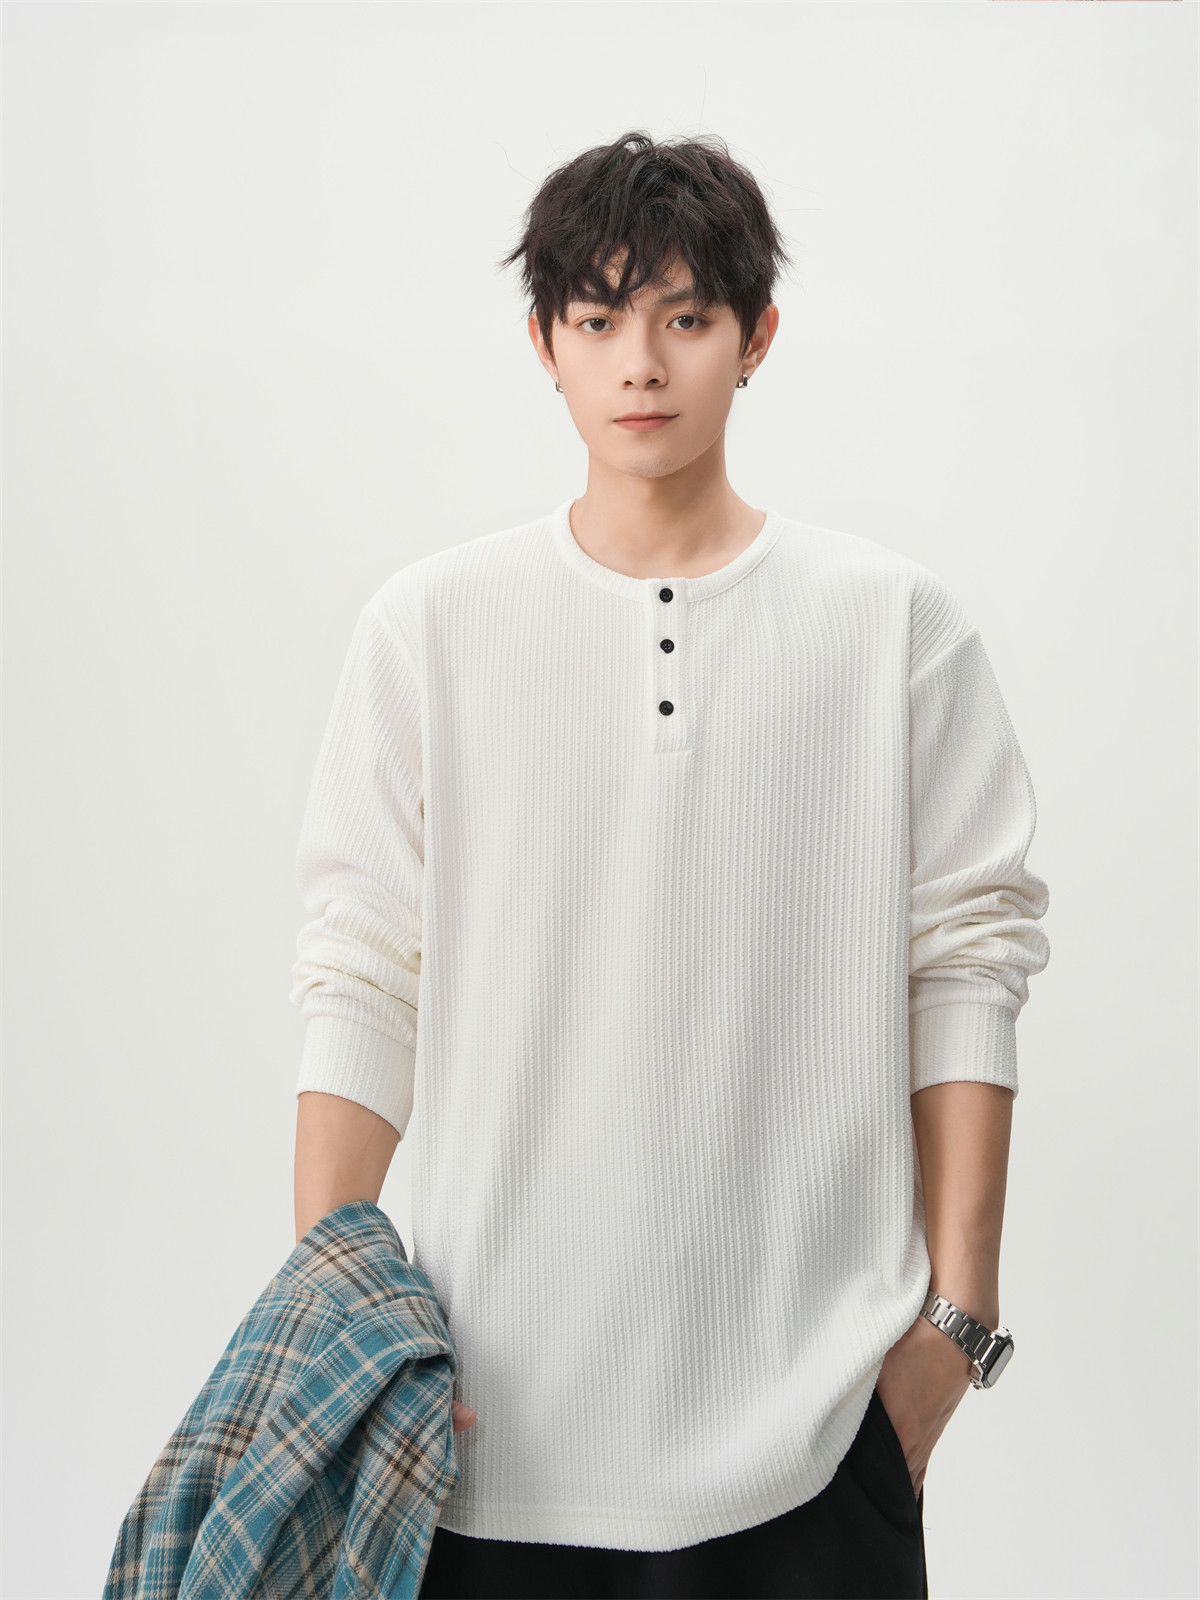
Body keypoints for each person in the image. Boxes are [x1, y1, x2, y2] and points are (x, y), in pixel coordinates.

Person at [290, 129, 1050, 1600]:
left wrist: (955, 1328)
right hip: (484, 1432)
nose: (640, 364)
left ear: (757, 337)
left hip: (817, 1437)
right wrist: (338, 1333)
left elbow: (969, 960)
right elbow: (360, 975)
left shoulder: (892, 627)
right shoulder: (430, 629)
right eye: (597, 320)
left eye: (687, 317)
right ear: (544, 346)